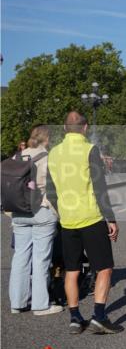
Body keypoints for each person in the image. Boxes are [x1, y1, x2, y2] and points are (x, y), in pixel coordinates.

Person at [46, 112, 122, 334]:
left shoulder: (54, 153)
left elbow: (51, 191)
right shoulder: (90, 150)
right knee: (105, 267)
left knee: (72, 270)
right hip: (91, 217)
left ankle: (75, 317)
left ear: (64, 127)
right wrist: (112, 219)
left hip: (68, 221)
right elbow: (99, 187)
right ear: (85, 127)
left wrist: (63, 210)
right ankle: (99, 316)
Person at [9, 125, 62, 316]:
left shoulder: (18, 157)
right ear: (46, 139)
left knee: (20, 257)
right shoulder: (48, 157)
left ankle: (17, 302)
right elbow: (57, 186)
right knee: (41, 258)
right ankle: (40, 305)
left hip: (18, 211)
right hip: (41, 211)